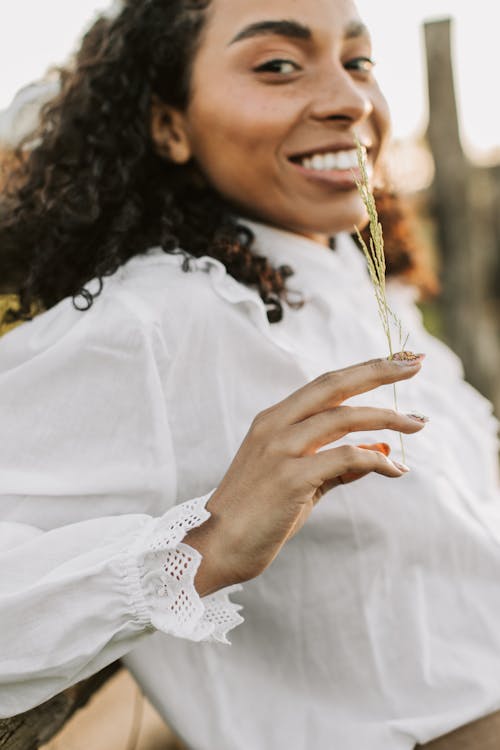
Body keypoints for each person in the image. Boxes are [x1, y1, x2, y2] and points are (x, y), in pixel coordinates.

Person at [0, 1, 499, 748]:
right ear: (169, 125)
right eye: (278, 66)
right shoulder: (156, 322)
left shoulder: (355, 281)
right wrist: (199, 552)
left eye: (358, 62)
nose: (351, 99)